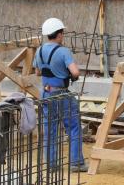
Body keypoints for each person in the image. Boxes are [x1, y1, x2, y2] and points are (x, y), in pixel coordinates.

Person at [34, 18, 86, 172]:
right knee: (74, 127)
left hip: (45, 93)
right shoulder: (63, 51)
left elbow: (37, 72)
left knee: (50, 129)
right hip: (61, 95)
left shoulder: (39, 50)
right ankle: (76, 163)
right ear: (59, 34)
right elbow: (75, 72)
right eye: (62, 33)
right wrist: (73, 76)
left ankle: (51, 165)